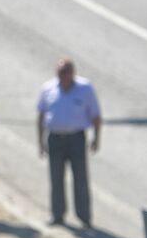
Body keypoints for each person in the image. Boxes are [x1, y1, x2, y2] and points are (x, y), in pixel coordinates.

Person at [36, 58, 101, 228]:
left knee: (80, 179)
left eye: (66, 72)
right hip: (55, 138)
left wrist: (96, 138)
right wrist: (40, 141)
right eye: (60, 72)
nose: (63, 75)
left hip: (76, 139)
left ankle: (84, 217)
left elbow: (96, 115)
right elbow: (41, 115)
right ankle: (57, 214)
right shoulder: (48, 88)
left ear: (72, 72)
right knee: (56, 178)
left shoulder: (84, 89)